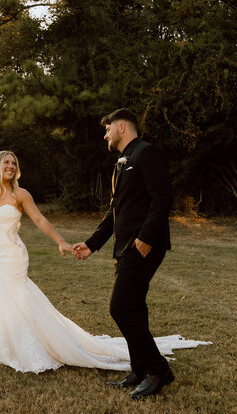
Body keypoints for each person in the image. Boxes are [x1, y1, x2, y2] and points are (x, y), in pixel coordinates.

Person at [0, 149, 209, 373]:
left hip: (12, 256)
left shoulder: (20, 194)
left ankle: (34, 345)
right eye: (6, 163)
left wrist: (60, 241)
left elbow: (39, 219)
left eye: (13, 163)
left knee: (18, 300)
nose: (10, 167)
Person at [73, 108, 175, 399]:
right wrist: (92, 244)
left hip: (142, 246)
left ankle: (158, 370)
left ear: (121, 127)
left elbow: (163, 197)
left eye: (107, 129)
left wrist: (145, 238)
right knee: (135, 308)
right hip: (124, 247)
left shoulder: (146, 152)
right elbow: (114, 213)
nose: (105, 134)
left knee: (120, 308)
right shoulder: (120, 163)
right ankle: (140, 369)